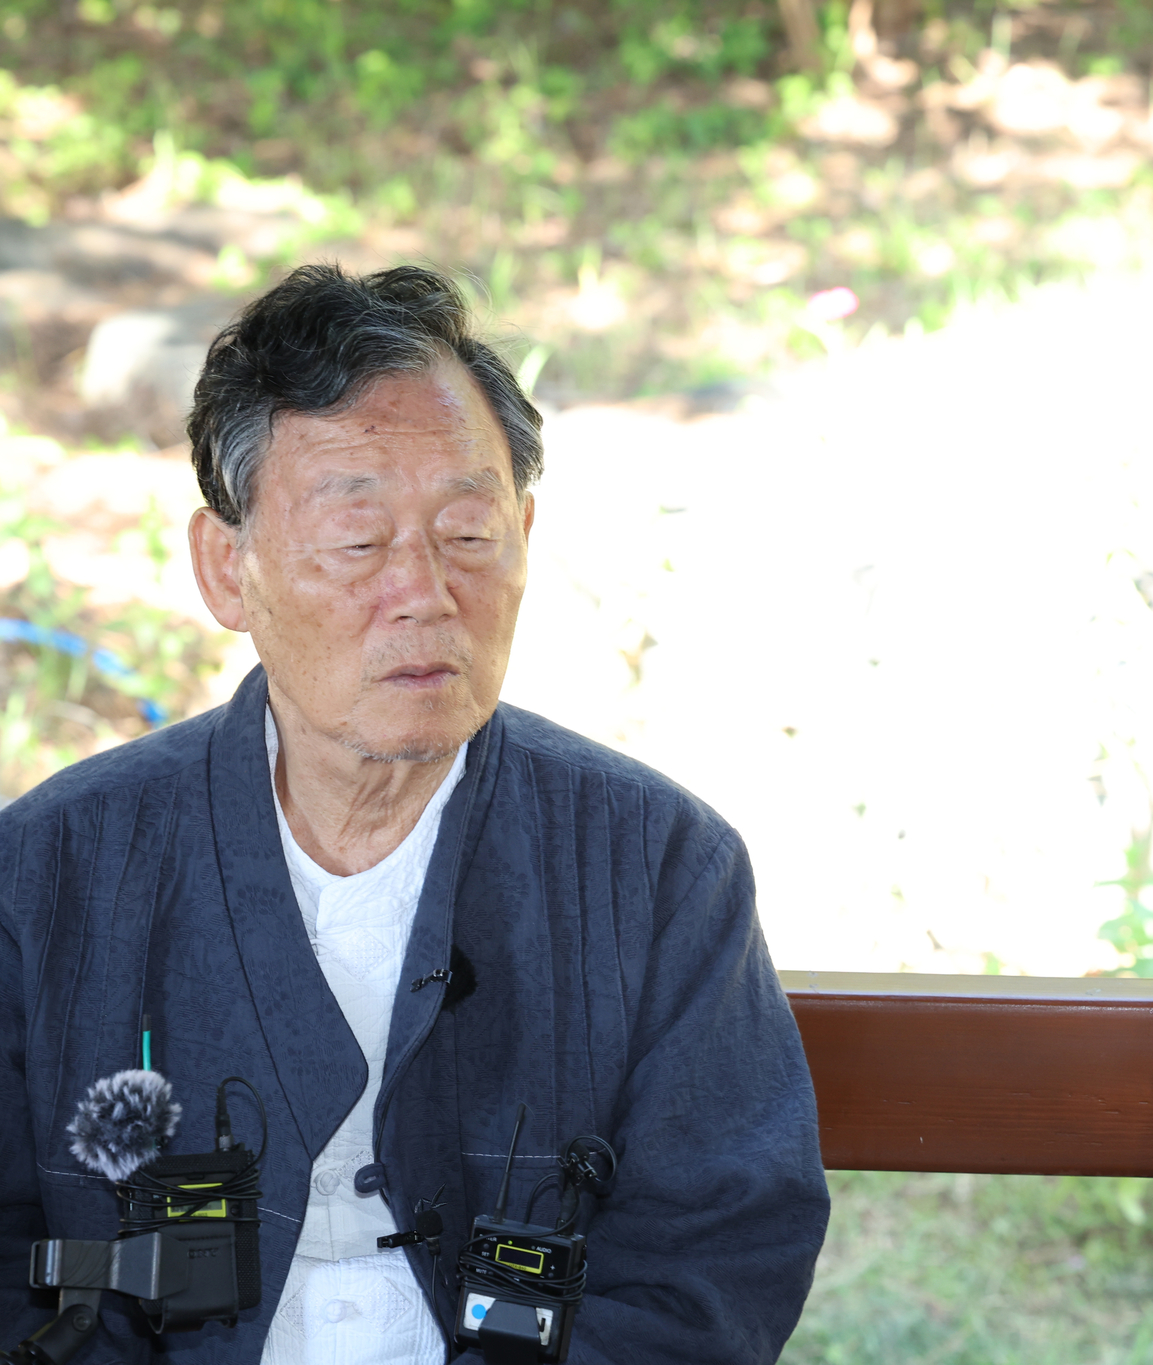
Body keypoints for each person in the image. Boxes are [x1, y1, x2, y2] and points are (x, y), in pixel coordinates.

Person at [0, 264, 829, 1362]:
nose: (426, 592)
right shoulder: (56, 868)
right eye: (357, 544)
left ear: (524, 536)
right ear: (226, 568)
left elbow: (715, 1255)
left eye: (469, 535)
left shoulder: (655, 866)